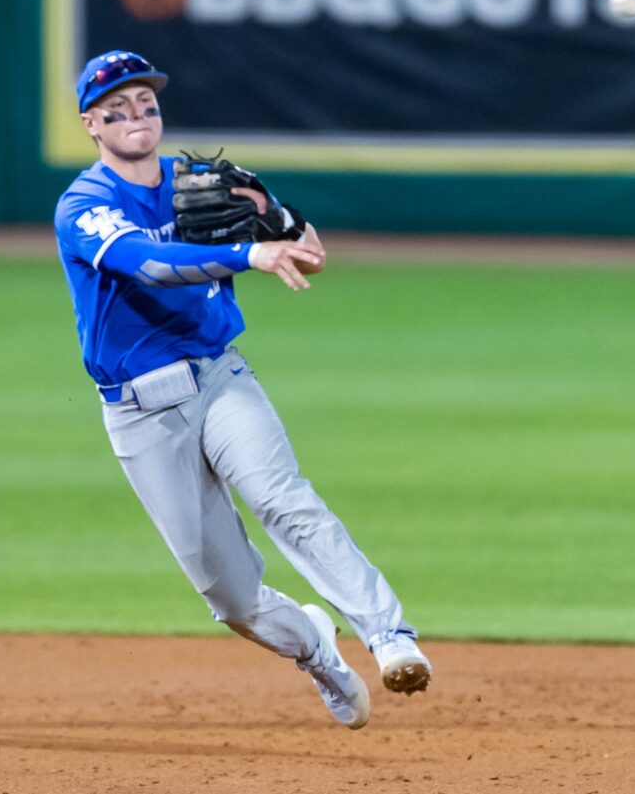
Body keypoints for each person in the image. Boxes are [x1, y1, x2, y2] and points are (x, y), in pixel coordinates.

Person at [53, 50, 431, 729]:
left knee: (285, 500)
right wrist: (247, 253)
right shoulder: (85, 205)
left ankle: (389, 634)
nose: (136, 116)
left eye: (146, 104)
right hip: (141, 411)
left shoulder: (198, 182)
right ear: (91, 124)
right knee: (233, 599)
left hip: (219, 377)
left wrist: (275, 216)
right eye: (117, 108)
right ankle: (318, 648)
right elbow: (148, 263)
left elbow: (309, 252)